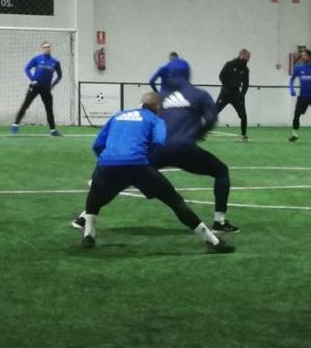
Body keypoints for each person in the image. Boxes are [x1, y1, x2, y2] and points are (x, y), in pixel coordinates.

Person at [77, 92, 235, 254]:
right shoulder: (156, 120)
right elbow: (158, 143)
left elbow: (97, 144)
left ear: (141, 103)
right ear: (158, 107)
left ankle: (88, 235)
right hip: (138, 164)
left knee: (95, 195)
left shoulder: (118, 115)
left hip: (106, 163)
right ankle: (213, 242)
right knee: (175, 201)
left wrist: (109, 161)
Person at [153, 60, 239, 233]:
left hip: (159, 148)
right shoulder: (199, 94)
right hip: (184, 148)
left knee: (129, 173)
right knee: (221, 171)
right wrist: (197, 134)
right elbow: (211, 119)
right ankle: (219, 222)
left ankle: (86, 216)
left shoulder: (160, 97)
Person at [10, 41, 62, 137]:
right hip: (35, 86)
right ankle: (15, 125)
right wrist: (32, 79)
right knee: (25, 105)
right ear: (42, 49)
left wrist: (53, 84)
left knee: (49, 109)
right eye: (45, 47)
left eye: (48, 47)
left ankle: (53, 130)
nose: (47, 48)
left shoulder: (55, 62)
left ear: (51, 48)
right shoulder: (36, 59)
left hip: (46, 89)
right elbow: (27, 69)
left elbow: (59, 76)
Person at [216, 49, 251, 142]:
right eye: (246, 57)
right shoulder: (229, 64)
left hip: (237, 96)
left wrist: (242, 94)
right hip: (225, 93)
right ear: (240, 55)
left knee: (243, 115)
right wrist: (227, 86)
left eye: (248, 58)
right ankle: (199, 130)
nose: (247, 60)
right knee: (214, 111)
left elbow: (246, 84)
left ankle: (243, 136)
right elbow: (221, 76)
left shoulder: (246, 69)